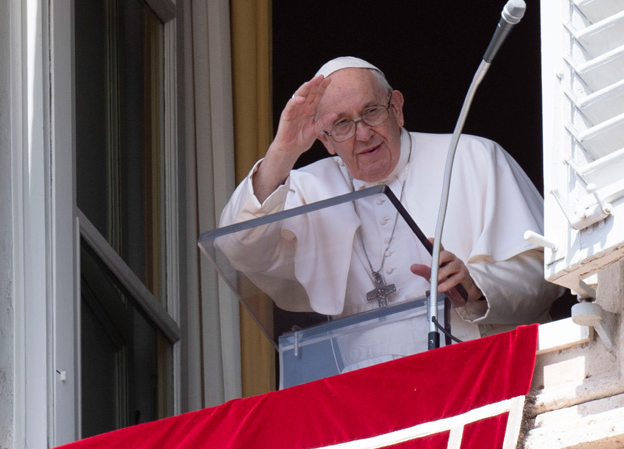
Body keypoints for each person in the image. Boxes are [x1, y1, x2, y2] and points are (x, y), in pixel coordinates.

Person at [218, 56, 563, 371]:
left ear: (396, 108)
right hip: (363, 392)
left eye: (371, 112)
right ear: (325, 139)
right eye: (341, 124)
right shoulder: (306, 188)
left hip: (474, 370)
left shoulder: (473, 157)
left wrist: (476, 285)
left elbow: (546, 272)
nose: (363, 133)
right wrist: (283, 150)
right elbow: (238, 246)